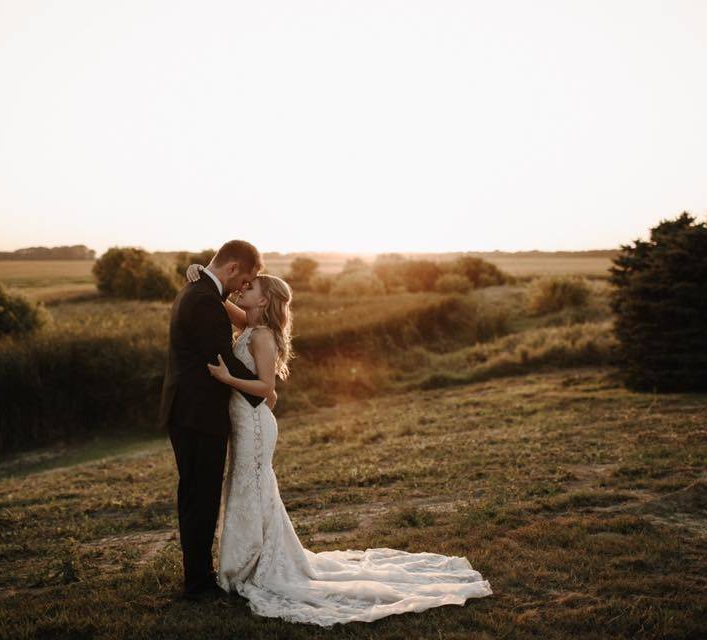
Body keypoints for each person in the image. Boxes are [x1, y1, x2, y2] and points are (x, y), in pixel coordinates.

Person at [187, 263, 493, 627]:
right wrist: (199, 271)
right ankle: (248, 559)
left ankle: (254, 563)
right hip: (245, 422)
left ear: (264, 298)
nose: (242, 289)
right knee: (248, 488)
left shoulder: (262, 335)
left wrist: (226, 377)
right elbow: (218, 301)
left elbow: (267, 388)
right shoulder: (249, 324)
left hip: (254, 425)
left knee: (252, 487)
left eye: (250, 287)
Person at [158, 240, 277, 600]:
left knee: (198, 495)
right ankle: (198, 583)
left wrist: (262, 389)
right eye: (248, 279)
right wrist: (262, 393)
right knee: (201, 498)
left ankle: (199, 576)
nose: (245, 286)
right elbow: (220, 360)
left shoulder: (199, 291)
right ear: (232, 269)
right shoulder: (203, 299)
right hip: (197, 416)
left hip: (192, 413)